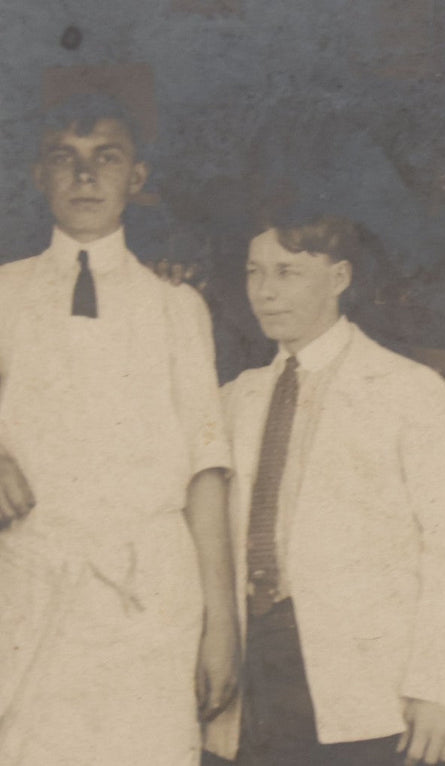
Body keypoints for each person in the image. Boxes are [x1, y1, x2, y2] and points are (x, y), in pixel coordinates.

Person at [201, 211, 445, 766]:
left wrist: (444, 690)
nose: (265, 292)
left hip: (370, 677)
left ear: (338, 278)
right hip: (261, 665)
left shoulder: (409, 392)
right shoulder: (238, 398)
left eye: (287, 273)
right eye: (254, 273)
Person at [0, 93, 238, 765]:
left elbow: (205, 470)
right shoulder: (4, 293)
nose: (84, 177)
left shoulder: (175, 303)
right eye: (63, 160)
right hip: (28, 585)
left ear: (136, 178)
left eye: (105, 159)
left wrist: (222, 628)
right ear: (37, 176)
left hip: (149, 596)